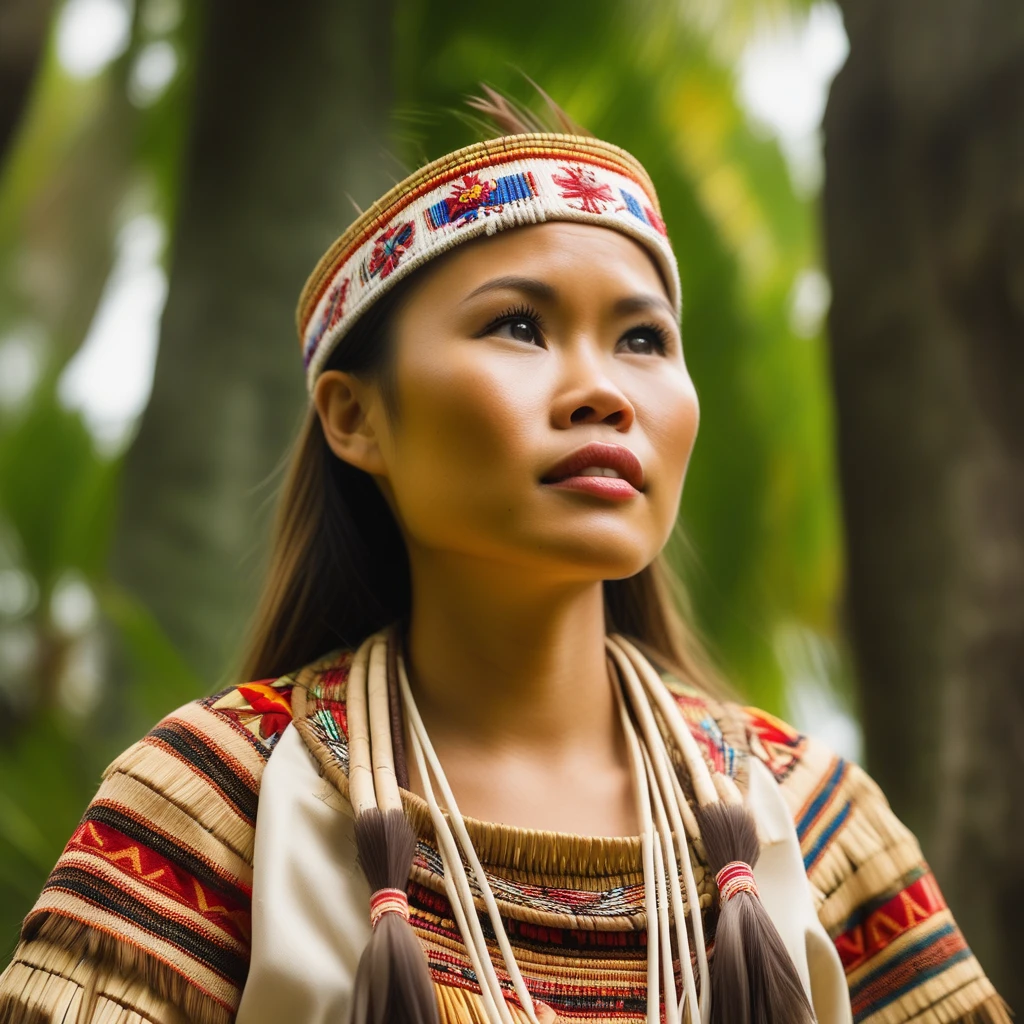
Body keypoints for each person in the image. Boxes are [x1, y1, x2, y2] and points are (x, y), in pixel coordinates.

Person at [0, 92, 1008, 1024]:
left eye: (644, 340)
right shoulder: (216, 801)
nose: (601, 391)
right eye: (519, 326)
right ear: (356, 417)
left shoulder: (816, 820)